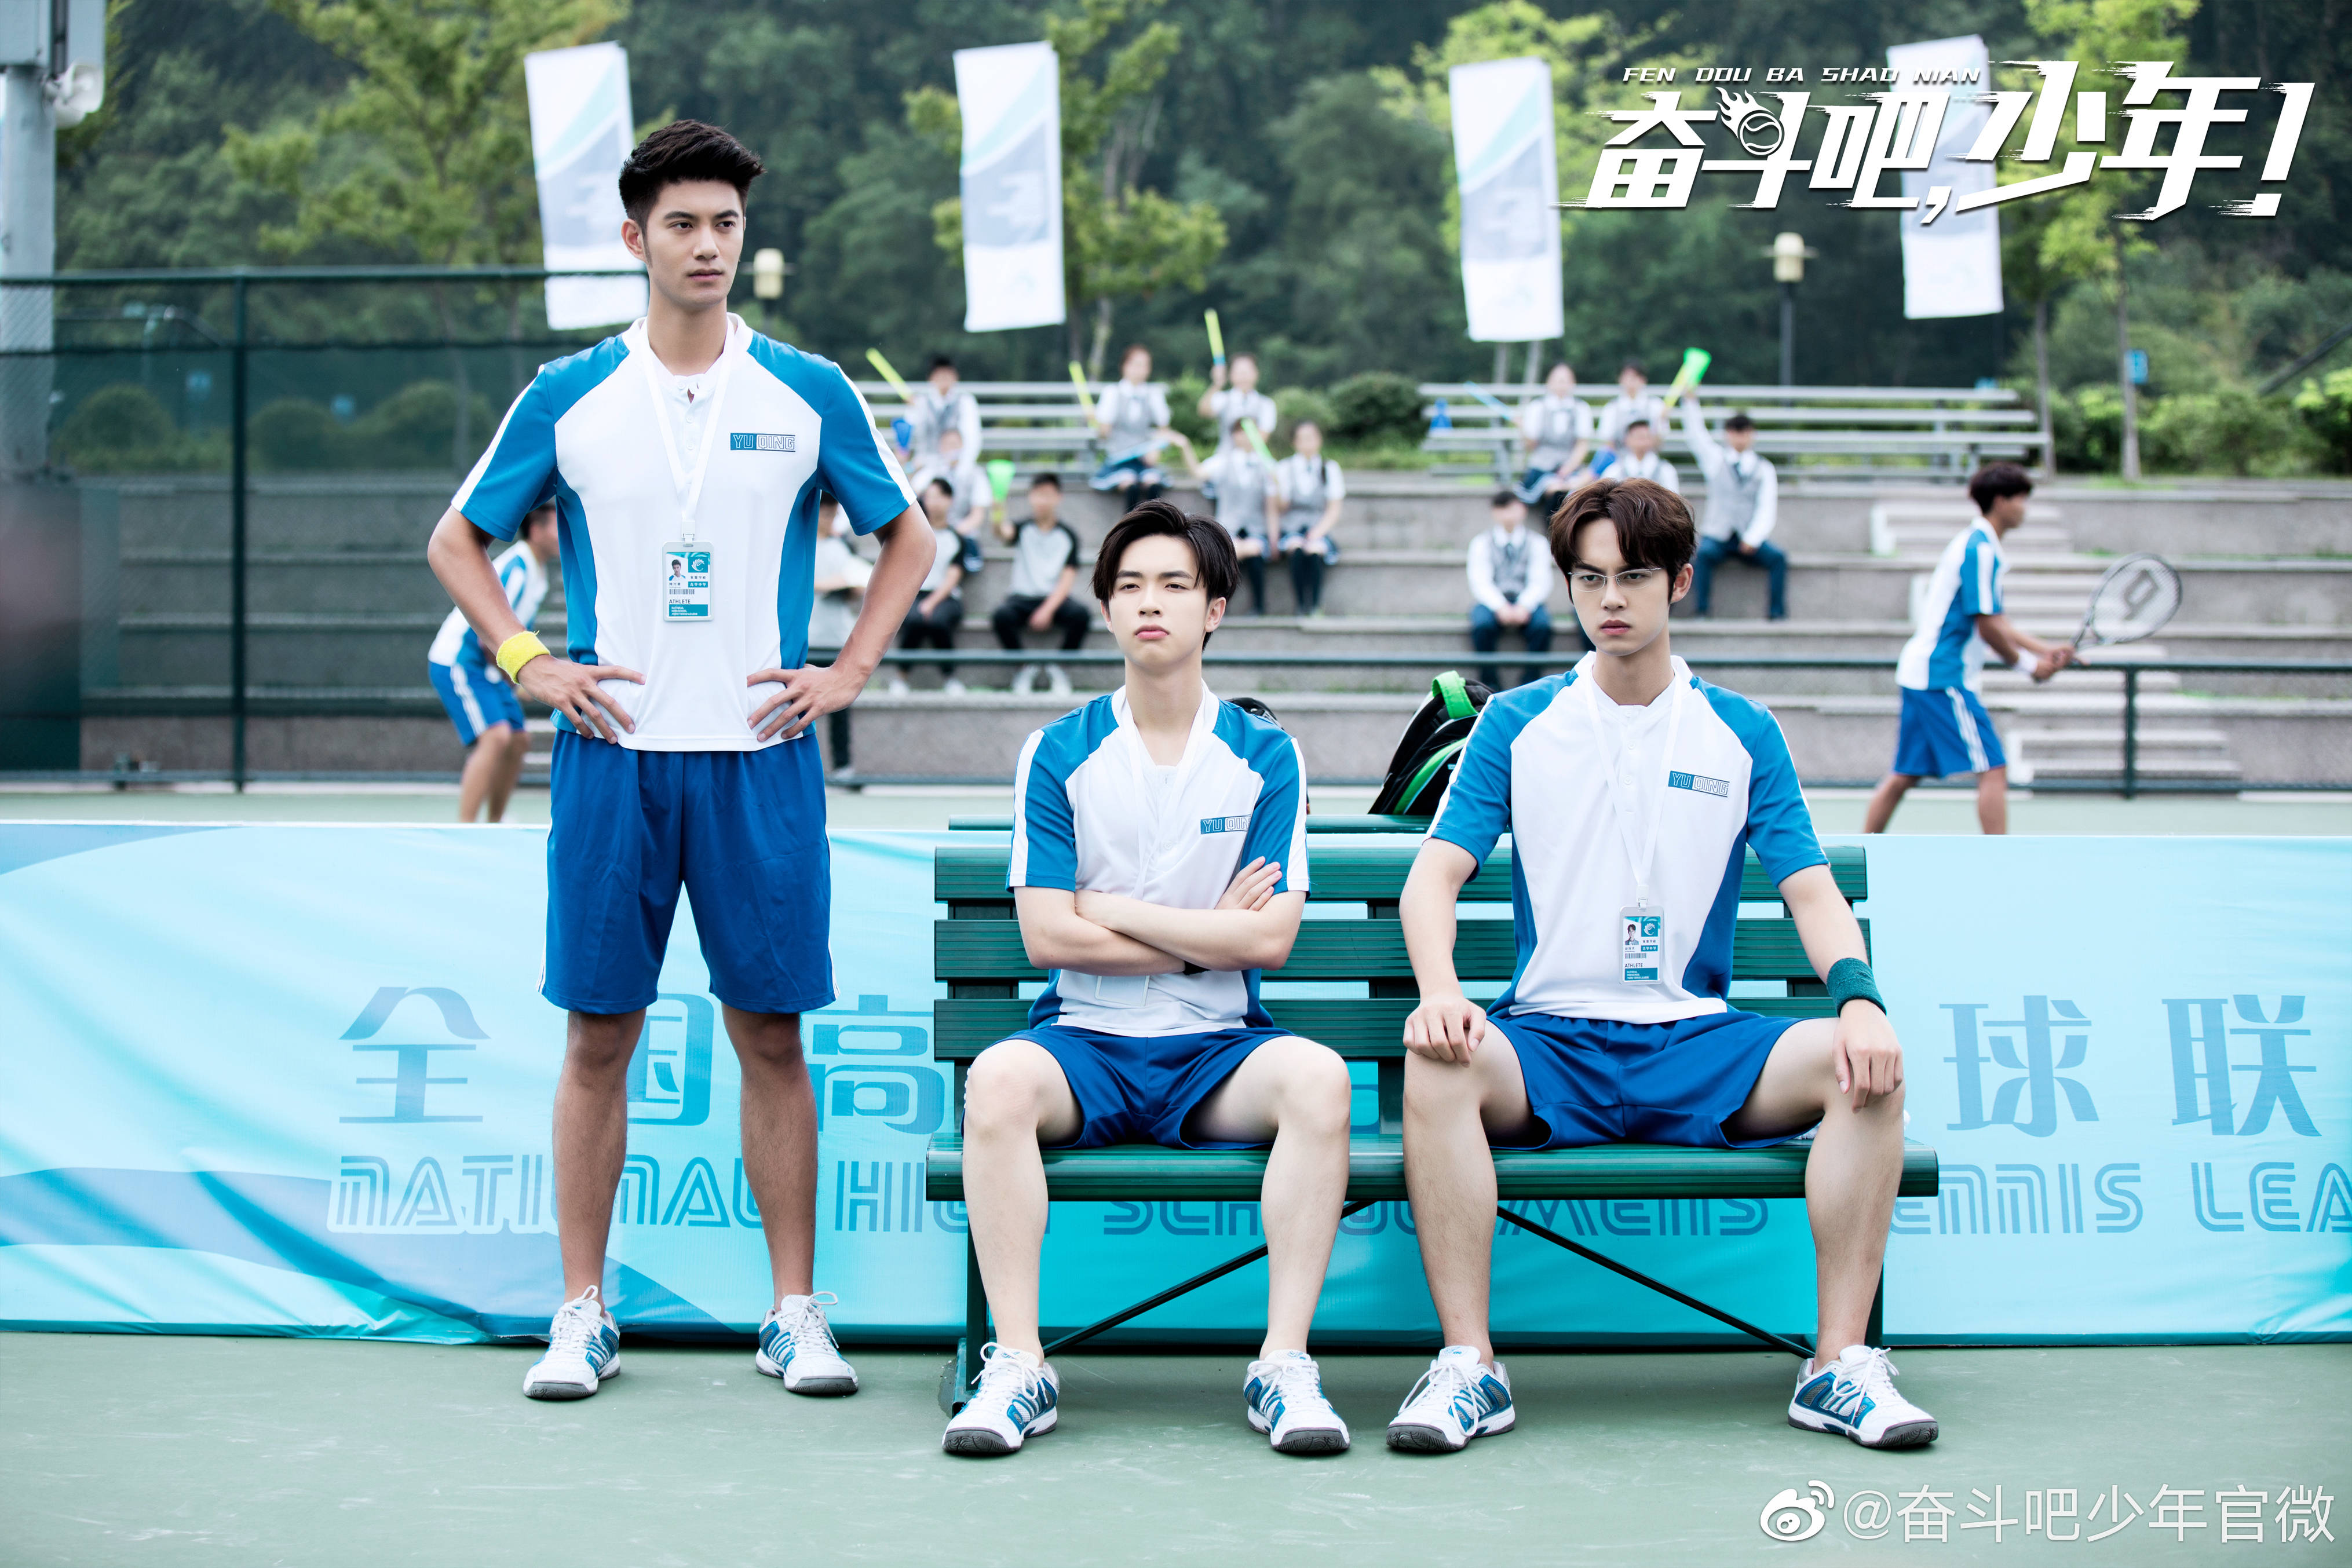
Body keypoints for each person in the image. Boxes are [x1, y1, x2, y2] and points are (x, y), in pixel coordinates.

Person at [424, 120, 933, 1403]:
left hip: (762, 758)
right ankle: (582, 1311)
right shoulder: (569, 394)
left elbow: (910, 540)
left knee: (771, 1036)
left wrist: (847, 671)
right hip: (614, 755)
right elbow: (456, 541)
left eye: (726, 224)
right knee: (599, 1036)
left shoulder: (808, 390)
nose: (708, 246)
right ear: (633, 237)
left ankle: (794, 1313)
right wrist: (527, 659)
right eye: (683, 224)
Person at [1386, 477, 1937, 1455]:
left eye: (1634, 576)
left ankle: (1838, 1363)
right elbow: (1432, 879)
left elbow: (1812, 890)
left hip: (1694, 1042)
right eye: (1589, 577)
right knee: (1437, 1062)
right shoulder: (1516, 724)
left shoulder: (1742, 730)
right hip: (1548, 1042)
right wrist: (1441, 992)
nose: (1610, 598)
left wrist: (1861, 1001)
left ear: (1680, 581)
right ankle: (1471, 1362)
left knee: (1865, 1067)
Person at [940, 499, 1353, 1459]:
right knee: (996, 1079)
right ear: (1107, 608)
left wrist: (1114, 910)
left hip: (1217, 1052)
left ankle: (1284, 1362)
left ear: (1215, 609)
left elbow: (1270, 939)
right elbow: (1048, 934)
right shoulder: (1059, 748)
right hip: (1084, 1043)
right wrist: (1209, 935)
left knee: (1321, 1080)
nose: (1149, 603)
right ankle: (1019, 1363)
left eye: (1174, 584)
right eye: (1129, 586)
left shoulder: (1265, 753)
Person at [1865, 463, 2075, 835]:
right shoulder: (1981, 550)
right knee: (1993, 768)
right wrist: (2029, 666)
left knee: (1904, 775)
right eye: (2021, 499)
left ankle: (1861, 850)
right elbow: (1988, 626)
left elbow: (1996, 619)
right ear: (2001, 501)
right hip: (1942, 674)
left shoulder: (1977, 544)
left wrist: (2044, 649)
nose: (2025, 508)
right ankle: (1999, 860)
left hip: (1922, 671)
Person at [428, 502, 556, 823]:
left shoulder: (538, 573)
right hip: (460, 661)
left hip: (489, 667)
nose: (563, 534)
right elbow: (489, 633)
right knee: (496, 737)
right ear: (536, 531)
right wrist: (521, 677)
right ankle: (466, 829)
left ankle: (495, 823)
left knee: (518, 740)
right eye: (556, 526)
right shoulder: (518, 568)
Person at [1681, 401, 1787, 620]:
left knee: (1778, 558)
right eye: (1735, 432)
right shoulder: (1715, 460)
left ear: (1752, 435)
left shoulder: (1764, 468)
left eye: (1745, 432)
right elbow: (1696, 436)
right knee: (1702, 556)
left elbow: (1767, 506)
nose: (1740, 437)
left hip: (1748, 536)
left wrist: (1753, 537)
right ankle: (1702, 611)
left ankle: (1776, 613)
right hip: (1718, 534)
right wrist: (1689, 402)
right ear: (1728, 434)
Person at [991, 471, 1089, 695]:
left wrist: (1047, 610)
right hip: (1021, 598)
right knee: (1001, 617)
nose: (1043, 500)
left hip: (1053, 599)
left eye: (1048, 494)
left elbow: (1068, 579)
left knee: (1081, 616)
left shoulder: (1068, 535)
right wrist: (997, 508)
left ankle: (1060, 668)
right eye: (1038, 494)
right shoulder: (1022, 529)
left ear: (1058, 497)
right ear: (1031, 497)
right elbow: (1001, 532)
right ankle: (1023, 668)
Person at [1175, 428, 1274, 615]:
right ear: (1235, 436)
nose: (1248, 437)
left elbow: (1274, 503)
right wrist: (1185, 446)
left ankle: (1259, 606)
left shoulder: (1266, 464)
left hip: (1257, 530)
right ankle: (1220, 608)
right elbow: (1198, 473)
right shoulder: (1223, 461)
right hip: (1228, 528)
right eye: (1243, 432)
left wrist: (1273, 538)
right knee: (1226, 554)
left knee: (1256, 554)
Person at [1465, 490, 1554, 688]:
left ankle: (1531, 684)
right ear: (1494, 512)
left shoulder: (1537, 543)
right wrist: (1500, 606)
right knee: (1481, 626)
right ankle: (1489, 683)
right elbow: (1480, 581)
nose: (1508, 514)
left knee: (1542, 627)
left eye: (1512, 508)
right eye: (1502, 509)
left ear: (1523, 510)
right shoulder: (1482, 543)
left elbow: (1541, 581)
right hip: (1493, 601)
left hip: (1526, 600)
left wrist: (1525, 605)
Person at [808, 493, 870, 777]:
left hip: (836, 639)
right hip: (807, 640)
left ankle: (843, 767)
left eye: (833, 514)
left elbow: (860, 583)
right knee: (796, 710)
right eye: (825, 514)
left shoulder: (843, 546)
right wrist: (823, 585)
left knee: (839, 708)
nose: (829, 520)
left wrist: (846, 586)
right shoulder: (800, 544)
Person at [889, 477, 967, 695]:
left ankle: (950, 678)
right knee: (914, 620)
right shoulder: (914, 535)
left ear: (950, 500)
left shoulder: (958, 539)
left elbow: (953, 577)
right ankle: (901, 678)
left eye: (940, 497)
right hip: (916, 594)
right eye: (930, 497)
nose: (934, 502)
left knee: (938, 622)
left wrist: (931, 603)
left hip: (947, 598)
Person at [1271, 418, 1343, 617]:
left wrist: (1317, 533)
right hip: (1292, 528)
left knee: (1314, 550)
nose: (1307, 443)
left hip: (1319, 528)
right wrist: (1277, 487)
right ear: (1295, 442)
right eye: (1302, 439)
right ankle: (1300, 605)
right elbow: (1282, 507)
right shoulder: (1284, 468)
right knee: (1296, 548)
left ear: (1319, 440)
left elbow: (1334, 509)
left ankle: (1315, 605)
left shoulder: (1330, 468)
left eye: (1311, 438)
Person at [1088, 343, 1174, 505]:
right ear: (1124, 366)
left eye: (1145, 365)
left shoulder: (1154, 394)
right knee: (1130, 484)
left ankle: (1155, 521)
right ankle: (1130, 522)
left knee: (1153, 483)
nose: (1140, 370)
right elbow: (1104, 434)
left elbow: (1164, 430)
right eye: (1136, 364)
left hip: (1145, 460)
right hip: (1119, 459)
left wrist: (1156, 449)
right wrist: (1099, 421)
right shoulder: (1112, 393)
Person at [910, 423, 989, 576]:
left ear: (963, 446)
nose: (951, 449)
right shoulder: (931, 471)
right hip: (932, 532)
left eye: (954, 444)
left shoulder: (975, 474)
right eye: (946, 445)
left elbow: (978, 515)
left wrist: (953, 533)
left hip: (961, 534)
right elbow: (912, 497)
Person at [1513, 363, 1591, 506]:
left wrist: (1569, 468)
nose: (1561, 385)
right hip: (1541, 466)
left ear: (1573, 383)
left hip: (1571, 467)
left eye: (1565, 380)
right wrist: (1523, 429)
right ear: (1549, 382)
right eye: (1558, 380)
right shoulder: (1537, 407)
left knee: (1571, 489)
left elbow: (1582, 444)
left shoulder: (1581, 408)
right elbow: (1531, 445)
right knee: (1553, 490)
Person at [1197, 350, 1276, 458]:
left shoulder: (1267, 404)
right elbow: (1203, 411)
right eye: (1239, 372)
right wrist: (1217, 384)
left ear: (1257, 373)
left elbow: (1263, 437)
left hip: (1254, 460)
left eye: (1247, 371)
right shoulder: (1223, 398)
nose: (1243, 376)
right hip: (1224, 459)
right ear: (1230, 375)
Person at [910, 352, 982, 465]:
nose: (944, 378)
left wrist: (963, 465)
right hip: (926, 463)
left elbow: (972, 437)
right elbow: (914, 433)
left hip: (957, 463)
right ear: (931, 378)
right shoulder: (920, 401)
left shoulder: (965, 401)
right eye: (939, 374)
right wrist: (914, 410)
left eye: (947, 374)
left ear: (955, 377)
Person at [1594, 358, 1667, 456]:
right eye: (1627, 377)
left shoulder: (1656, 405)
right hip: (1620, 460)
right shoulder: (1612, 408)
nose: (1631, 382)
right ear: (1620, 379)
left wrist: (1660, 422)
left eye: (1635, 377)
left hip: (1649, 460)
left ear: (1644, 380)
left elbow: (1659, 443)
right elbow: (1608, 443)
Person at [1611, 418, 1679, 493]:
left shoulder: (1665, 470)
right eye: (1638, 436)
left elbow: (1674, 496)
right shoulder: (1616, 470)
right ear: (1627, 440)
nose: (1642, 440)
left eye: (1646, 436)